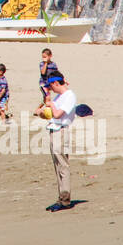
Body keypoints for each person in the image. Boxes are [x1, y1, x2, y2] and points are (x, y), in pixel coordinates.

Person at [36, 74, 78, 210]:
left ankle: (65, 199)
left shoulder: (69, 95)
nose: (51, 89)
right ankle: (61, 198)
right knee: (57, 166)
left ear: (55, 84)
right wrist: (40, 112)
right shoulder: (58, 97)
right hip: (54, 130)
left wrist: (51, 104)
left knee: (63, 166)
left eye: (51, 86)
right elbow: (51, 115)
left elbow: (58, 114)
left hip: (61, 131)